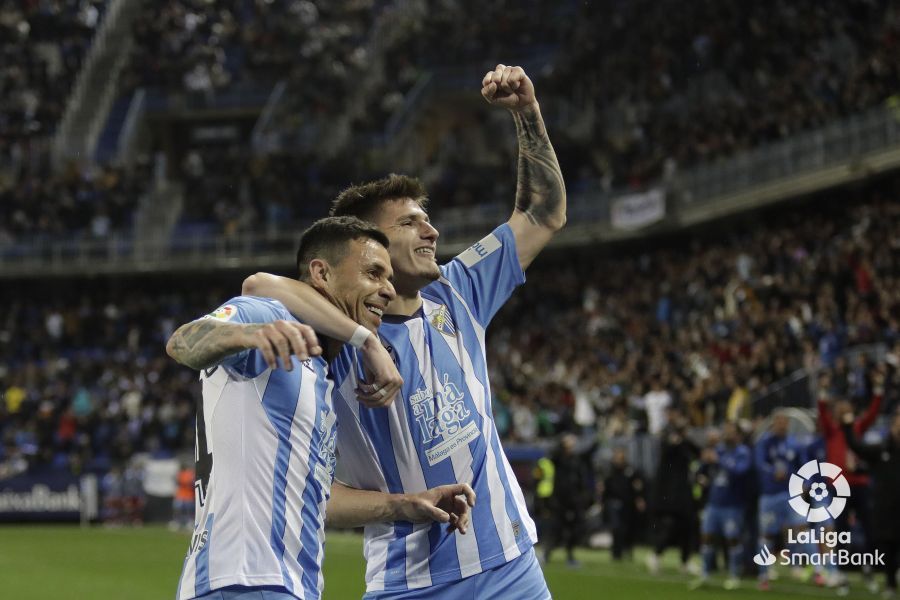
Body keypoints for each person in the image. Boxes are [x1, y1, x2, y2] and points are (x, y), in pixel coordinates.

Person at [243, 63, 565, 598]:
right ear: (368, 248)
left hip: (511, 567)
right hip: (410, 582)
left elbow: (544, 212)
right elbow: (261, 286)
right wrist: (363, 339)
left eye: (426, 218)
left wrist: (527, 114)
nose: (431, 231)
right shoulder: (331, 339)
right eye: (410, 223)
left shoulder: (458, 291)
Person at [167, 217, 475, 600]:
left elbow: (318, 499)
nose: (387, 289)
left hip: (279, 586)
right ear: (321, 273)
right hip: (249, 580)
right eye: (373, 273)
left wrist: (406, 504)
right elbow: (183, 342)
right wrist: (249, 334)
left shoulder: (324, 367)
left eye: (389, 278)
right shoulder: (270, 317)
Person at [842, 408, 900, 597]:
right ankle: (890, 584)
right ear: (891, 427)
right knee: (888, 544)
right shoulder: (882, 449)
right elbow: (857, 447)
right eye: (897, 423)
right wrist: (849, 426)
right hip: (886, 506)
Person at [691, 421, 752, 591]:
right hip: (714, 502)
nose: (726, 435)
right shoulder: (718, 450)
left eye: (730, 432)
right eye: (725, 431)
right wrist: (701, 474)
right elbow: (702, 467)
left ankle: (734, 575)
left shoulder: (742, 452)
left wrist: (719, 460)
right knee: (707, 537)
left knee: (733, 539)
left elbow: (740, 472)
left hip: (733, 504)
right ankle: (704, 573)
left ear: (738, 435)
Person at [753, 411, 807, 590]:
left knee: (800, 529)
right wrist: (772, 472)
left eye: (784, 422)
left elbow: (804, 467)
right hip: (770, 495)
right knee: (766, 534)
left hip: (791, 494)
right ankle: (764, 572)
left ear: (788, 425)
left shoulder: (795, 444)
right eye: (778, 422)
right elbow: (759, 464)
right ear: (773, 424)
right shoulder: (764, 442)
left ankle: (799, 564)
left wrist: (804, 483)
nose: (781, 425)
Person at [646, 408, 698, 575]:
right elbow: (667, 450)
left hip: (683, 492)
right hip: (669, 494)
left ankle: (685, 560)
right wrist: (675, 439)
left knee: (687, 526)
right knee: (670, 526)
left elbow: (697, 452)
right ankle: (656, 555)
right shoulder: (667, 438)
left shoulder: (684, 443)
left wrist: (683, 438)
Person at [542, 433, 596, 566]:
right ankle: (546, 554)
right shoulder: (558, 459)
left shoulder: (575, 460)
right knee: (556, 528)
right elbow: (552, 453)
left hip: (573, 500)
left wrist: (597, 440)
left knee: (573, 529)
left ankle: (570, 556)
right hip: (559, 500)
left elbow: (588, 453)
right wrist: (562, 443)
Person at [602, 446, 646, 561]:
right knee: (616, 528)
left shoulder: (630, 470)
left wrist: (639, 499)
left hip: (627, 503)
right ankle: (616, 553)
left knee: (627, 528)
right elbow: (605, 488)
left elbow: (637, 486)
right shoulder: (610, 470)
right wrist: (603, 501)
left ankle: (627, 549)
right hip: (613, 502)